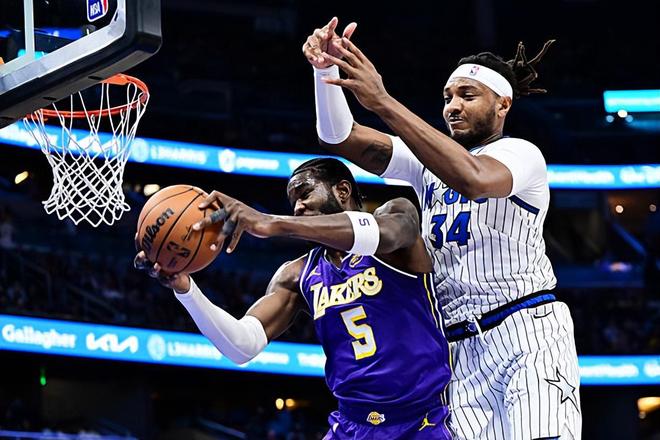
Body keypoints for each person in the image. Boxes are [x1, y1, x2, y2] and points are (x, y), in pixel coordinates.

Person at [302, 17, 581, 440]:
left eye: (468, 95)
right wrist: (324, 72)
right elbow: (339, 138)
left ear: (503, 104)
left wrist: (383, 101)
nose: (452, 106)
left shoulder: (522, 154)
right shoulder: (426, 163)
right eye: (448, 96)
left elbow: (474, 179)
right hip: (454, 348)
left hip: (526, 330)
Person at [135, 158, 452, 439]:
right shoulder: (298, 274)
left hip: (420, 421)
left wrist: (271, 223)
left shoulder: (395, 216)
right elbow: (242, 346)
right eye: (293, 202)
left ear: (342, 190)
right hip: (352, 425)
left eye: (305, 193)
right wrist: (186, 289)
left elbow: (393, 233)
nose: (298, 207)